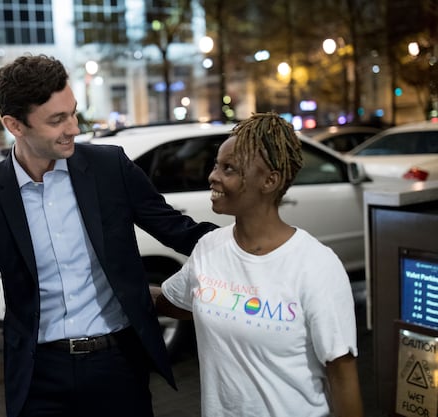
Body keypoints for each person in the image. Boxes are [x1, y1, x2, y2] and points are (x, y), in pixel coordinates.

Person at [0, 53, 217, 417]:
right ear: (15, 125)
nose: (74, 128)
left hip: (118, 366)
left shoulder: (110, 167)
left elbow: (178, 231)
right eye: (57, 119)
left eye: (73, 112)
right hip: (38, 376)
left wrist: (258, 246)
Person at [152, 112, 364, 417]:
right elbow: (170, 301)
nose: (213, 176)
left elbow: (343, 378)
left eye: (229, 169)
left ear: (270, 180)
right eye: (216, 165)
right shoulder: (209, 249)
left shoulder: (316, 265)